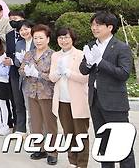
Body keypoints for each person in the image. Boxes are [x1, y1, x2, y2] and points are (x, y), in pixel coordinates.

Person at [79, 11, 135, 168]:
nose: (94, 28)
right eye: (93, 25)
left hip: (115, 103)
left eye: (98, 25)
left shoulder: (121, 47)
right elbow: (84, 70)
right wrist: (89, 62)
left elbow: (123, 74)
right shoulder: (91, 45)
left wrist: (100, 60)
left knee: (122, 144)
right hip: (95, 100)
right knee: (103, 143)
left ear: (110, 27)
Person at [49, 27, 89, 168]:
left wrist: (68, 72)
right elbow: (51, 77)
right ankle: (72, 162)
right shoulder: (55, 56)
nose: (63, 40)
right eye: (60, 38)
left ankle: (82, 164)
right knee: (68, 133)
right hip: (62, 101)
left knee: (81, 134)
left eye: (66, 37)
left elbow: (85, 78)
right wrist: (59, 73)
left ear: (72, 39)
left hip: (77, 100)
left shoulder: (81, 54)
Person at [19, 23, 58, 165]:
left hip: (47, 93)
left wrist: (39, 74)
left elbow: (54, 75)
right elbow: (21, 69)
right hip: (31, 92)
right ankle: (39, 148)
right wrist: (25, 71)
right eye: (35, 38)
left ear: (48, 39)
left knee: (49, 123)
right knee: (35, 122)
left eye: (41, 38)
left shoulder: (53, 55)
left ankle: (52, 151)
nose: (38, 41)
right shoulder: (29, 53)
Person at [8, 18, 34, 136]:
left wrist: (26, 60)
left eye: (26, 29)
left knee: (33, 107)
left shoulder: (37, 41)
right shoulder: (19, 43)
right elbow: (18, 63)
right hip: (22, 78)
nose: (24, 32)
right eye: (21, 30)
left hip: (35, 78)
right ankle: (21, 129)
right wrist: (18, 60)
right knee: (20, 103)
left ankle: (34, 130)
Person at [4, 10, 26, 133]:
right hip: (13, 72)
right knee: (16, 100)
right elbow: (9, 52)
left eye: (16, 19)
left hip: (28, 72)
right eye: (11, 19)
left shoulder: (30, 33)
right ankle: (18, 125)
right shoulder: (9, 35)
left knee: (27, 101)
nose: (13, 22)